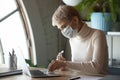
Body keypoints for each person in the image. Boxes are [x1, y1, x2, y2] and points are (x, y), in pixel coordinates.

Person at [48, 5, 108, 75]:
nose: (63, 31)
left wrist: (65, 64)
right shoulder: (72, 39)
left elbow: (96, 68)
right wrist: (64, 66)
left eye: (63, 26)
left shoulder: (98, 35)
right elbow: (78, 68)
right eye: (60, 29)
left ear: (75, 20)